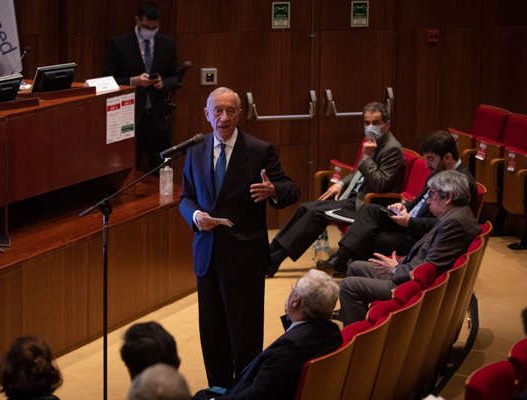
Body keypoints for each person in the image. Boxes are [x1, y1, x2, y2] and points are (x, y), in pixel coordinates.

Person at [179, 87, 300, 388]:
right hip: (207, 257)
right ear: (207, 115)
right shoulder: (195, 149)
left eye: (230, 111)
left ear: (240, 114)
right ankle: (218, 390)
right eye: (217, 111)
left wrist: (273, 190)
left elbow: (291, 189)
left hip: (245, 258)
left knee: (244, 336)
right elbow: (186, 198)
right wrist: (195, 215)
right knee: (212, 335)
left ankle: (245, 392)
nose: (224, 117)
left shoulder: (259, 150)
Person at [268, 102, 405, 276]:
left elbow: (380, 184)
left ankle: (273, 261)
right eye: (367, 123)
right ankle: (270, 253)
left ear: (387, 124)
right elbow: (358, 172)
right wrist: (342, 183)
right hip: (354, 197)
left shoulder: (392, 149)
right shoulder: (371, 142)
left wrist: (366, 158)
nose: (370, 127)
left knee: (315, 213)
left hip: (368, 206)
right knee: (306, 207)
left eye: (376, 123)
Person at [317, 130, 478, 276]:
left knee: (371, 236)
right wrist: (404, 207)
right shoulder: (438, 171)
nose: (427, 164)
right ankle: (340, 258)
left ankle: (349, 267)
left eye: (431, 159)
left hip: (419, 234)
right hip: (408, 220)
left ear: (447, 157)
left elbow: (446, 223)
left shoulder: (462, 181)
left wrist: (410, 222)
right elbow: (421, 200)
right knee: (371, 210)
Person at [339, 169, 481, 325]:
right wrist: (400, 263)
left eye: (431, 195)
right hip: (410, 271)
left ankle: (361, 335)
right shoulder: (454, 215)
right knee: (355, 267)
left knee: (348, 286)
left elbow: (431, 267)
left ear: (447, 197)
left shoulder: (454, 223)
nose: (428, 201)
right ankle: (353, 317)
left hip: (412, 286)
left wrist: (396, 269)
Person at [192, 269, 342, 400]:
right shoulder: (333, 333)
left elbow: (256, 396)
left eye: (293, 289)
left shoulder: (287, 349)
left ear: (296, 301)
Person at [104, 1, 180, 171]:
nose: (150, 31)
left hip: (158, 116)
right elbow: (107, 80)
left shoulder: (167, 43)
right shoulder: (119, 44)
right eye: (146, 27)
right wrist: (133, 81)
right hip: (128, 116)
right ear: (137, 20)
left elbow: (175, 77)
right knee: (128, 167)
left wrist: (163, 83)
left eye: (154, 27)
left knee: (162, 167)